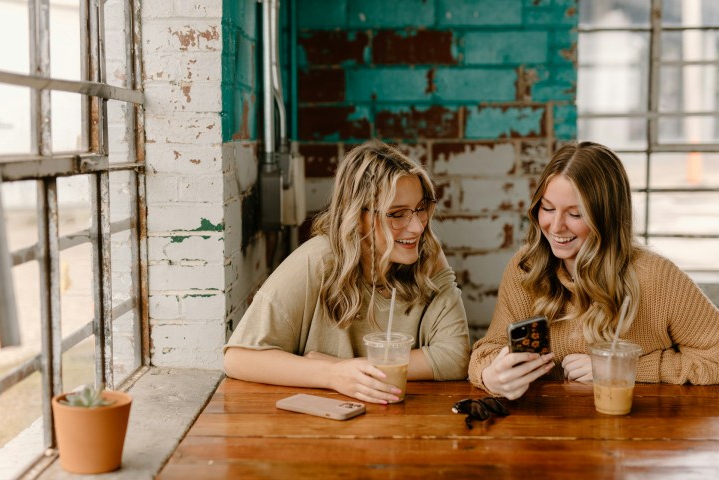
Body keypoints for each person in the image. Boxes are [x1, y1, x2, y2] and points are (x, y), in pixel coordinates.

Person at [224, 139, 470, 404]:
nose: (417, 228)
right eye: (397, 214)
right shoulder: (317, 260)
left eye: (421, 209)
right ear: (357, 217)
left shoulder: (427, 255)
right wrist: (331, 375)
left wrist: (348, 368)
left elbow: (456, 356)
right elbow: (238, 358)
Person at [469, 141, 719, 400]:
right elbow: (488, 350)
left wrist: (622, 368)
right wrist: (490, 374)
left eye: (575, 214)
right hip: (545, 431)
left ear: (606, 218)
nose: (555, 227)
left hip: (637, 430)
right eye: (548, 208)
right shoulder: (526, 268)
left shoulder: (656, 276)